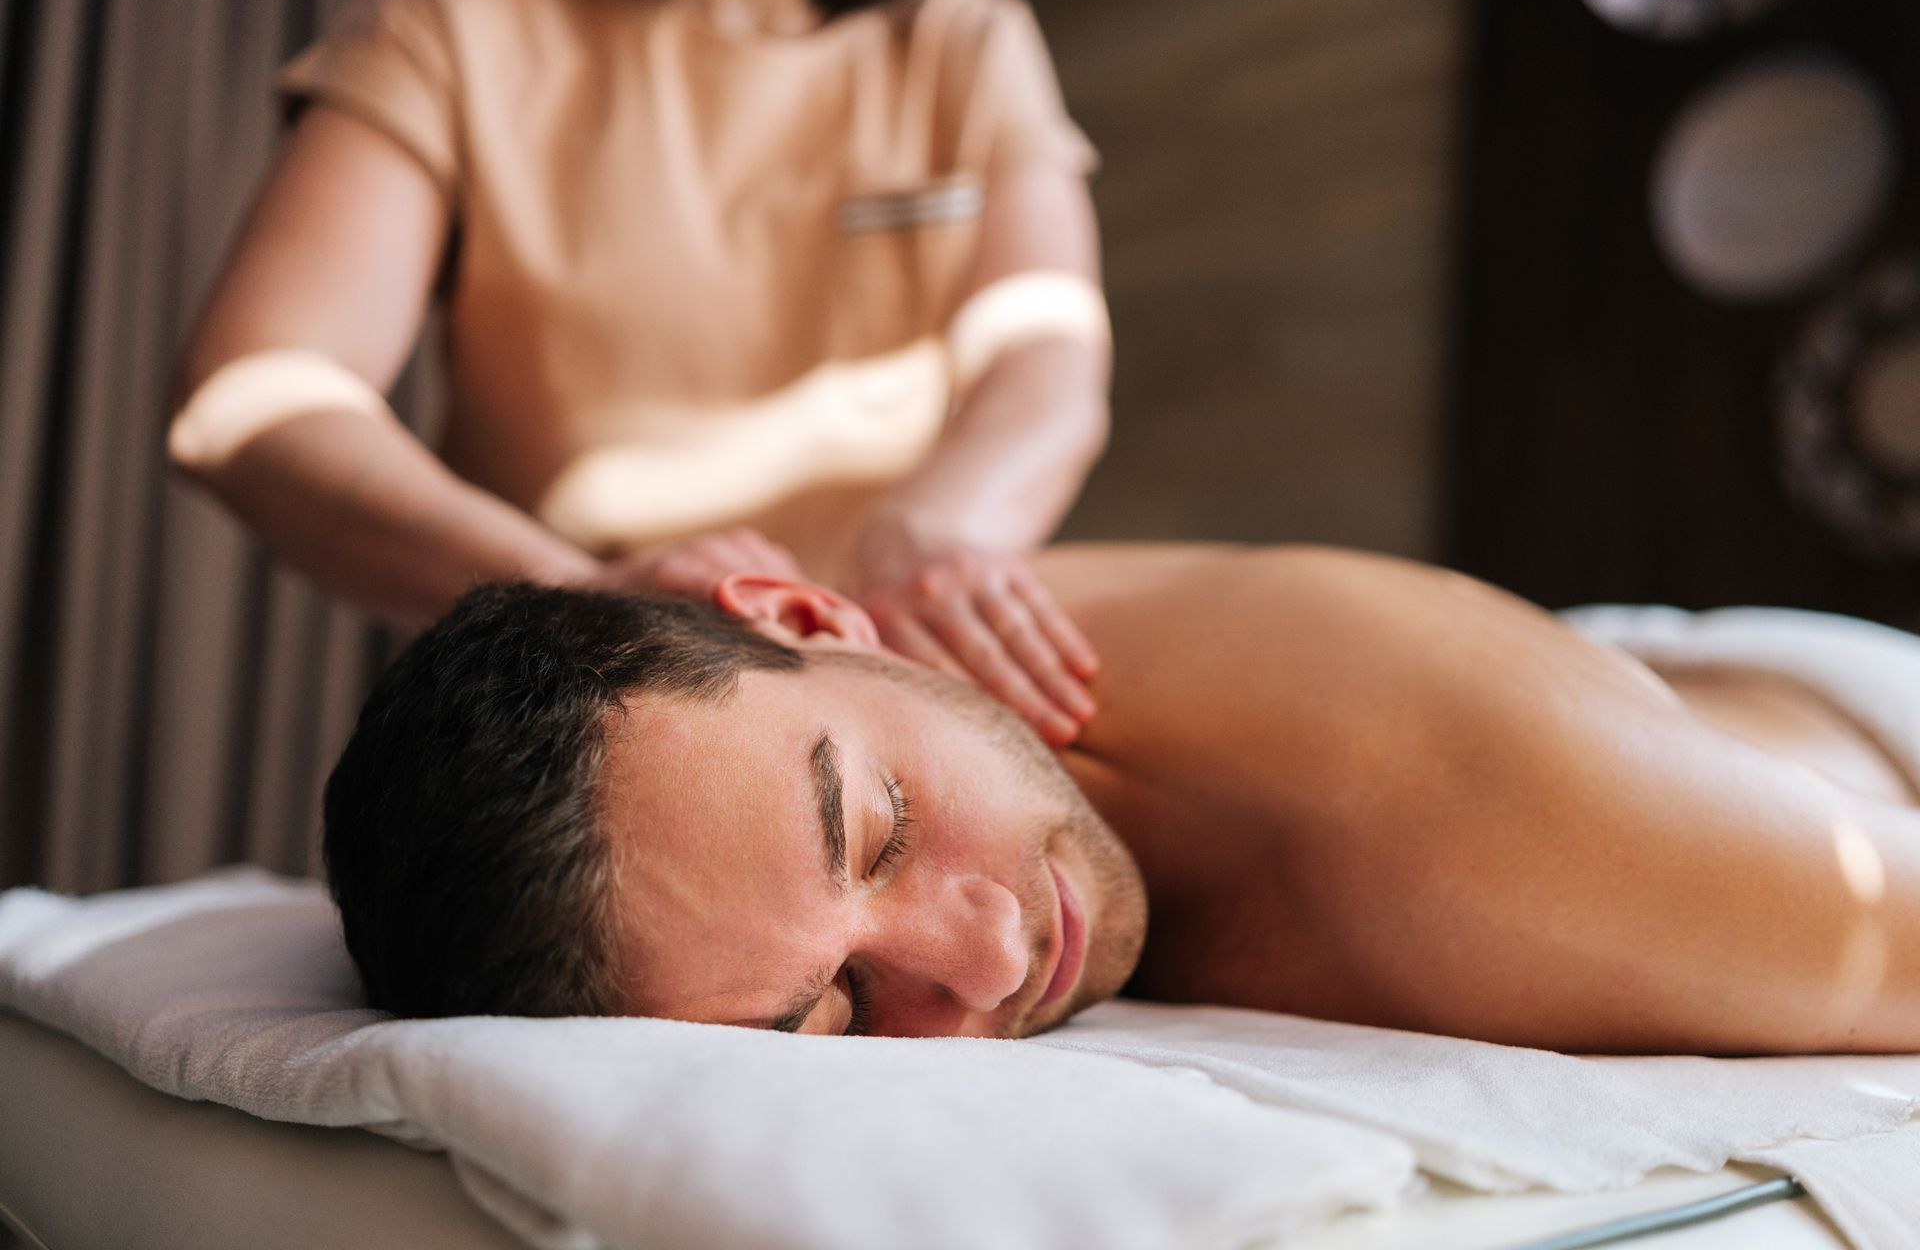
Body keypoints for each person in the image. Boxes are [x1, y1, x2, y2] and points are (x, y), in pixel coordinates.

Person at [322, 542, 1920, 1054]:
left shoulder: (1512, 847)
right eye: (835, 1014)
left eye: (879, 830)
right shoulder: (744, 703)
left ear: (813, 611)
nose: (982, 962)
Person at [165, 0, 1110, 747]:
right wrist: (577, 598)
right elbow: (249, 394)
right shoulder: (454, 15)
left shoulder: (963, 41)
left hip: (908, 671)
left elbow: (1046, 359)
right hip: (593, 699)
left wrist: (935, 533)